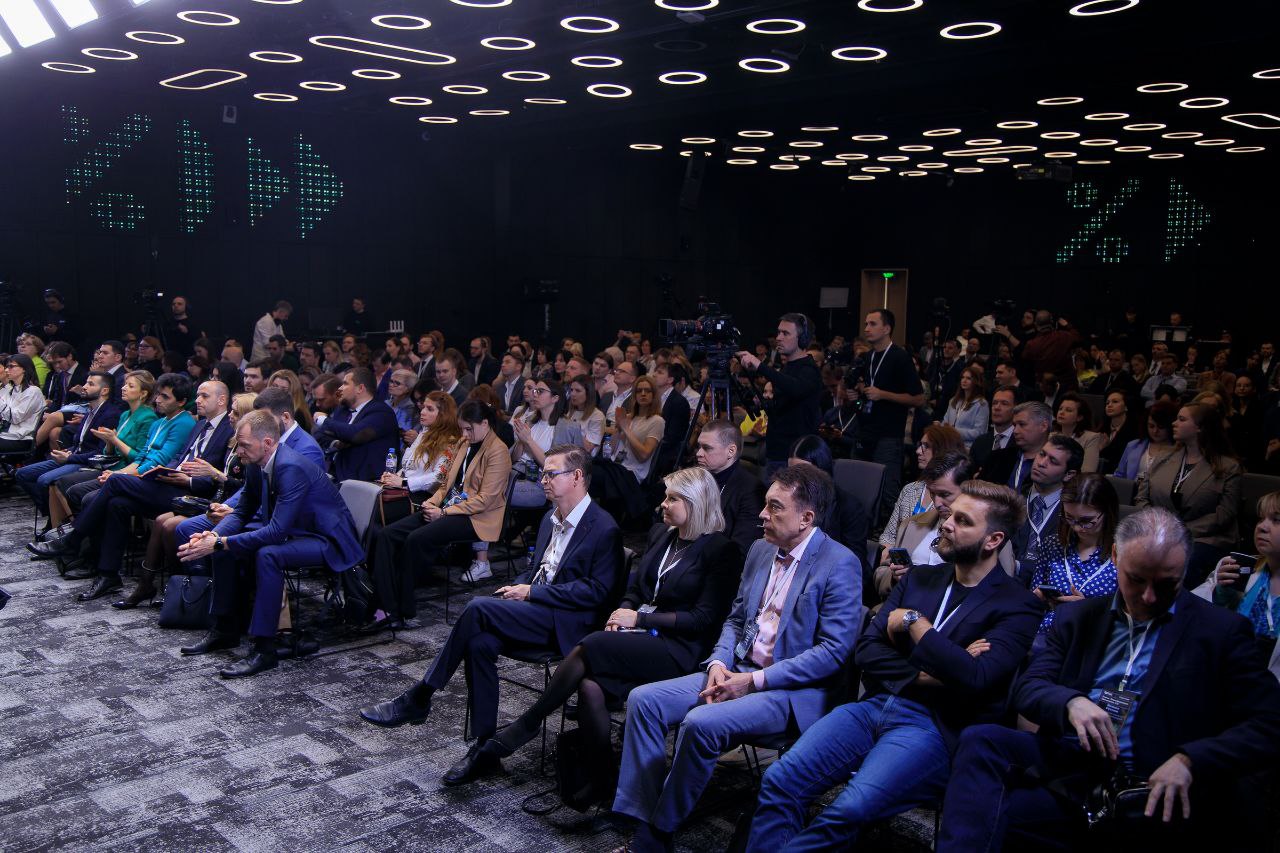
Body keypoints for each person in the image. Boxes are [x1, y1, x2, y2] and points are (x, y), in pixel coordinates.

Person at [936, 508, 1280, 851]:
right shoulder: (1079, 617)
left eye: (1166, 584)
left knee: (995, 817)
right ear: (1116, 556)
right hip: (1078, 764)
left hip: (1151, 780)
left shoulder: (1220, 631)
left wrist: (1191, 759)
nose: (1149, 596)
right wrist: (1071, 702)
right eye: (1136, 579)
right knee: (981, 740)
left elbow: (1268, 722)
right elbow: (1030, 687)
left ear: (1185, 569)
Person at [748, 480, 1039, 850]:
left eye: (963, 521)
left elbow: (977, 677)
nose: (947, 524)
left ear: (993, 540)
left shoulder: (1018, 605)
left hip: (934, 727)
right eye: (950, 515)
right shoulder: (921, 578)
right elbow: (867, 650)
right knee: (779, 780)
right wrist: (933, 670)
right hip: (874, 706)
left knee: (848, 809)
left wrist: (914, 624)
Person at [611, 463, 861, 853]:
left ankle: (656, 834)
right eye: (765, 504)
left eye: (775, 507)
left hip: (788, 690)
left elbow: (832, 652)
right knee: (644, 701)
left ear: (806, 518)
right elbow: (736, 618)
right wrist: (718, 663)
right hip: (738, 669)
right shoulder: (761, 550)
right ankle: (643, 815)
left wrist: (753, 681)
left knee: (700, 723)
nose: (762, 515)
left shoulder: (839, 563)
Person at [359, 445, 624, 784]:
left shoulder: (603, 527)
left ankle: (421, 695)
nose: (543, 480)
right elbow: (537, 571)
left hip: (567, 624)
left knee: (477, 607)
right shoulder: (550, 518)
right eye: (543, 473)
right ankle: (483, 747)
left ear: (576, 477)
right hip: (535, 611)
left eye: (551, 474)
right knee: (480, 642)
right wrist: (518, 588)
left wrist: (532, 593)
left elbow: (597, 593)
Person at [474, 467, 741, 801]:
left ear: (696, 502)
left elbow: (703, 619)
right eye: (665, 497)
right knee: (590, 687)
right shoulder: (663, 534)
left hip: (681, 648)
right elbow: (636, 589)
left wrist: (639, 619)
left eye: (673, 499)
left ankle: (529, 722)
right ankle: (603, 778)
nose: (663, 504)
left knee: (592, 643)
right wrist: (621, 614)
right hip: (641, 636)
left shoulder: (721, 550)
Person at [176, 411, 363, 677]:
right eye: (238, 444)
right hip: (297, 532)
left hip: (329, 540)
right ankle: (224, 629)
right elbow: (242, 512)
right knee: (226, 549)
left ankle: (265, 649)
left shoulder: (290, 467)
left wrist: (220, 543)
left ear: (267, 443)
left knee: (267, 554)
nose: (238, 451)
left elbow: (276, 532)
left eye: (244, 445)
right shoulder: (256, 462)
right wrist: (214, 537)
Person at [28, 376, 207, 596]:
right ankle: (107, 574)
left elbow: (158, 461)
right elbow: (141, 458)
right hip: (146, 478)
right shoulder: (160, 422)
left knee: (100, 489)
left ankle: (74, 541)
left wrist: (117, 474)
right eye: (158, 395)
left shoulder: (184, 423)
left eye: (165, 397)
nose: (158, 400)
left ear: (181, 402)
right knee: (116, 504)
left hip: (166, 485)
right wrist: (117, 472)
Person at [363, 401, 511, 632]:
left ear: (485, 423)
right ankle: (385, 605)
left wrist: (443, 512)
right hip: (448, 508)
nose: (464, 434)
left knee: (416, 539)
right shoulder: (464, 443)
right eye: (462, 428)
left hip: (476, 518)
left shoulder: (498, 451)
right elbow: (446, 483)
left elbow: (485, 500)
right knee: (387, 535)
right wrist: (432, 503)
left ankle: (400, 610)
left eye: (469, 429)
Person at [1136, 402, 1243, 588]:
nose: (1174, 423)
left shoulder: (1228, 467)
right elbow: (1142, 498)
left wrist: (1179, 530)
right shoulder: (1163, 458)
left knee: (1181, 560)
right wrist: (1158, 524)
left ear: (1200, 428)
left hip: (1204, 539)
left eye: (1182, 419)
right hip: (1160, 532)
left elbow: (1225, 514)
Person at [46, 370, 158, 530]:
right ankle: (62, 530)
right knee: (59, 483)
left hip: (126, 470)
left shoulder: (148, 417)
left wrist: (114, 440)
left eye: (130, 386)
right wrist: (109, 442)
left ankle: (78, 530)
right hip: (111, 465)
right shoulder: (125, 414)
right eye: (125, 384)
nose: (123, 388)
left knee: (67, 485)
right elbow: (109, 453)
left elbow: (138, 457)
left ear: (143, 393)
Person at [17, 371, 120, 532]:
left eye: (91, 384)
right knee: (23, 474)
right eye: (86, 382)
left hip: (86, 462)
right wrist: (68, 451)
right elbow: (81, 443)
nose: (84, 387)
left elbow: (99, 452)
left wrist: (69, 458)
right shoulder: (90, 411)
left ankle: (59, 523)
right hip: (74, 455)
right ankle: (52, 515)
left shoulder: (110, 414)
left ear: (104, 391)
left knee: (45, 480)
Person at [848, 309, 926, 520]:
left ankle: (891, 536)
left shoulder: (900, 357)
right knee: (857, 487)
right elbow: (865, 389)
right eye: (866, 324)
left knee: (888, 492)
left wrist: (883, 394)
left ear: (887, 329)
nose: (867, 328)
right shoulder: (867, 357)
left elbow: (918, 398)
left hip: (888, 436)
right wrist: (856, 393)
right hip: (864, 431)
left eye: (872, 324)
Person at [1195, 491, 1280, 681]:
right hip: (1225, 679)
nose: (1262, 527)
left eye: (1276, 520)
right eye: (1261, 519)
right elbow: (1190, 612)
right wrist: (1219, 595)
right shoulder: (1238, 568)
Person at [1026, 473, 1120, 643]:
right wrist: (1037, 599)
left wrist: (1087, 610)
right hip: (1043, 635)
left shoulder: (1123, 555)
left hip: (1088, 640)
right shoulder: (1053, 544)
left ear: (1107, 512)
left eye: (1086, 521)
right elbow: (1034, 597)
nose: (1077, 528)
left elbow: (1124, 618)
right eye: (1069, 518)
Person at [734, 313, 824, 477]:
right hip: (777, 454)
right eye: (779, 332)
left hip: (795, 458)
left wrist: (760, 366)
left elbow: (795, 388)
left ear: (802, 338)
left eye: (785, 333)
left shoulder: (809, 369)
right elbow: (786, 404)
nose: (778, 338)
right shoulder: (787, 367)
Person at [880, 423, 965, 551]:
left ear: (943, 450)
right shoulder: (910, 489)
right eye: (920, 445)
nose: (918, 451)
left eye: (926, 446)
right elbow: (889, 535)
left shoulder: (959, 497)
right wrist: (886, 550)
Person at [788, 435, 869, 564]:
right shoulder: (790, 500)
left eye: (803, 472)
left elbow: (854, 560)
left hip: (833, 571)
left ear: (821, 469)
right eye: (792, 473)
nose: (796, 479)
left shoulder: (849, 507)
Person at [593, 374, 665, 520]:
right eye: (639, 391)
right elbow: (611, 450)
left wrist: (626, 429)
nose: (643, 394)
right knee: (587, 469)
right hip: (615, 466)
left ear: (654, 395)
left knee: (594, 476)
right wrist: (618, 428)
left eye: (647, 391)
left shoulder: (657, 421)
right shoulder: (628, 417)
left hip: (632, 473)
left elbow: (643, 455)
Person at [1012, 433, 1083, 580]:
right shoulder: (1013, 499)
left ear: (1069, 474)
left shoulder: (1073, 514)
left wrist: (1018, 567)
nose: (1041, 463)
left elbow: (1065, 566)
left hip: (1046, 585)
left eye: (1053, 461)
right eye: (1042, 454)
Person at [313, 368, 400, 482]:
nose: (340, 388)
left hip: (366, 480)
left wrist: (323, 420)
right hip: (337, 473)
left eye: (345, 384)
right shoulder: (342, 409)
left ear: (360, 388)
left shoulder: (381, 412)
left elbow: (355, 434)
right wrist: (336, 443)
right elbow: (320, 434)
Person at [694, 418, 764, 556]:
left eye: (707, 448)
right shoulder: (697, 479)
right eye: (699, 447)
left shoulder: (751, 490)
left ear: (731, 451)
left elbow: (741, 550)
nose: (698, 453)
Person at [380, 390, 460, 503]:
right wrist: (392, 477)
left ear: (443, 415)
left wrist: (404, 482)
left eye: (429, 409)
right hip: (406, 492)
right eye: (423, 407)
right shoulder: (423, 433)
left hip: (426, 498)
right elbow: (409, 468)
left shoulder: (450, 441)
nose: (422, 412)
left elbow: (439, 477)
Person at [981, 401, 1052, 493]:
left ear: (1043, 426)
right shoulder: (997, 458)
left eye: (1022, 424)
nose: (1015, 431)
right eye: (1014, 425)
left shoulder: (1055, 464)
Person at [1114, 398, 1178, 483]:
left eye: (1161, 427)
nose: (1155, 431)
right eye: (1151, 426)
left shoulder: (1178, 450)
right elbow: (1119, 475)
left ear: (1170, 426)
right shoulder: (1133, 445)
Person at [0, 354, 47, 453]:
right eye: (6, 367)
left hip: (20, 439)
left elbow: (15, 417)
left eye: (11, 366)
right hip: (5, 435)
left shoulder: (33, 391)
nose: (7, 370)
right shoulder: (11, 390)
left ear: (24, 369)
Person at [653, 362, 692, 476]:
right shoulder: (652, 398)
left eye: (660, 372)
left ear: (670, 380)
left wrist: (649, 445)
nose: (654, 375)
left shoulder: (679, 402)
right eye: (655, 371)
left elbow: (673, 437)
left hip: (665, 453)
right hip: (653, 446)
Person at [1053, 392, 1102, 473]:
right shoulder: (1051, 436)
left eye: (1068, 410)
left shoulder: (1091, 438)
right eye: (1060, 409)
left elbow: (1087, 471)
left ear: (1079, 417)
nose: (1061, 412)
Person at [943, 364, 990, 448]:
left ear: (976, 381)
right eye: (962, 377)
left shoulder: (982, 404)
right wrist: (940, 426)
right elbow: (945, 421)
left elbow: (980, 432)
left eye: (968, 378)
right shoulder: (954, 400)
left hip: (968, 447)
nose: (964, 380)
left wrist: (955, 431)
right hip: (949, 444)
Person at [1098, 390, 1143, 474]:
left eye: (1115, 402)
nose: (1109, 405)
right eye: (1107, 403)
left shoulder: (1135, 432)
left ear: (1126, 407)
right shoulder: (1101, 429)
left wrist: (1105, 448)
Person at [565, 375, 605, 455]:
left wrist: (573, 427)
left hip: (584, 458)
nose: (572, 394)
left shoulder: (597, 416)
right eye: (571, 390)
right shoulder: (571, 412)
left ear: (588, 393)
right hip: (567, 453)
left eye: (578, 391)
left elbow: (588, 448)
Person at [493, 348, 527, 417]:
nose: (502, 365)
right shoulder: (499, 386)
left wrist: (503, 415)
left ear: (518, 366)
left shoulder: (526, 386)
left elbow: (524, 412)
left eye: (507, 362)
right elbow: (495, 408)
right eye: (502, 362)